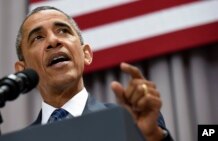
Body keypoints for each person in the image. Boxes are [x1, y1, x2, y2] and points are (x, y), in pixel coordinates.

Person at [14, 6, 173, 141]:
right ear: (23, 70)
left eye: (63, 31)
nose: (53, 41)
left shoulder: (129, 121)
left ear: (86, 55)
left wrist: (152, 138)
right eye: (38, 37)